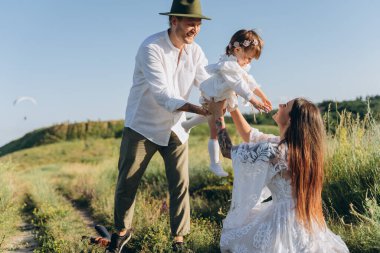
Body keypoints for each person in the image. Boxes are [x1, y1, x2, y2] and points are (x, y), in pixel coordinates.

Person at [106, 1, 211, 252]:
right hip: (142, 126)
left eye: (198, 23)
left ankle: (179, 241)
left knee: (180, 185)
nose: (195, 28)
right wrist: (198, 109)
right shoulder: (150, 47)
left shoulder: (196, 52)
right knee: (128, 181)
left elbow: (207, 84)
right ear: (173, 21)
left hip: (176, 127)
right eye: (190, 22)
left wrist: (220, 97)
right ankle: (121, 232)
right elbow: (162, 94)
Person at [209, 98, 349, 253]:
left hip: (282, 223)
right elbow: (250, 135)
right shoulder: (302, 149)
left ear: (290, 119)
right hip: (306, 220)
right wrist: (232, 107)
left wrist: (218, 117)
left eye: (286, 105)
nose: (280, 105)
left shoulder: (274, 150)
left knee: (238, 236)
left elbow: (227, 150)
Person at [182, 29, 272, 178]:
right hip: (214, 96)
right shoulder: (228, 66)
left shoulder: (238, 65)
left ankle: (187, 125)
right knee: (215, 130)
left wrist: (263, 96)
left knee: (210, 115)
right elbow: (239, 85)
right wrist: (254, 101)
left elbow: (249, 81)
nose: (249, 62)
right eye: (248, 58)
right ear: (237, 50)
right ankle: (214, 163)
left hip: (222, 97)